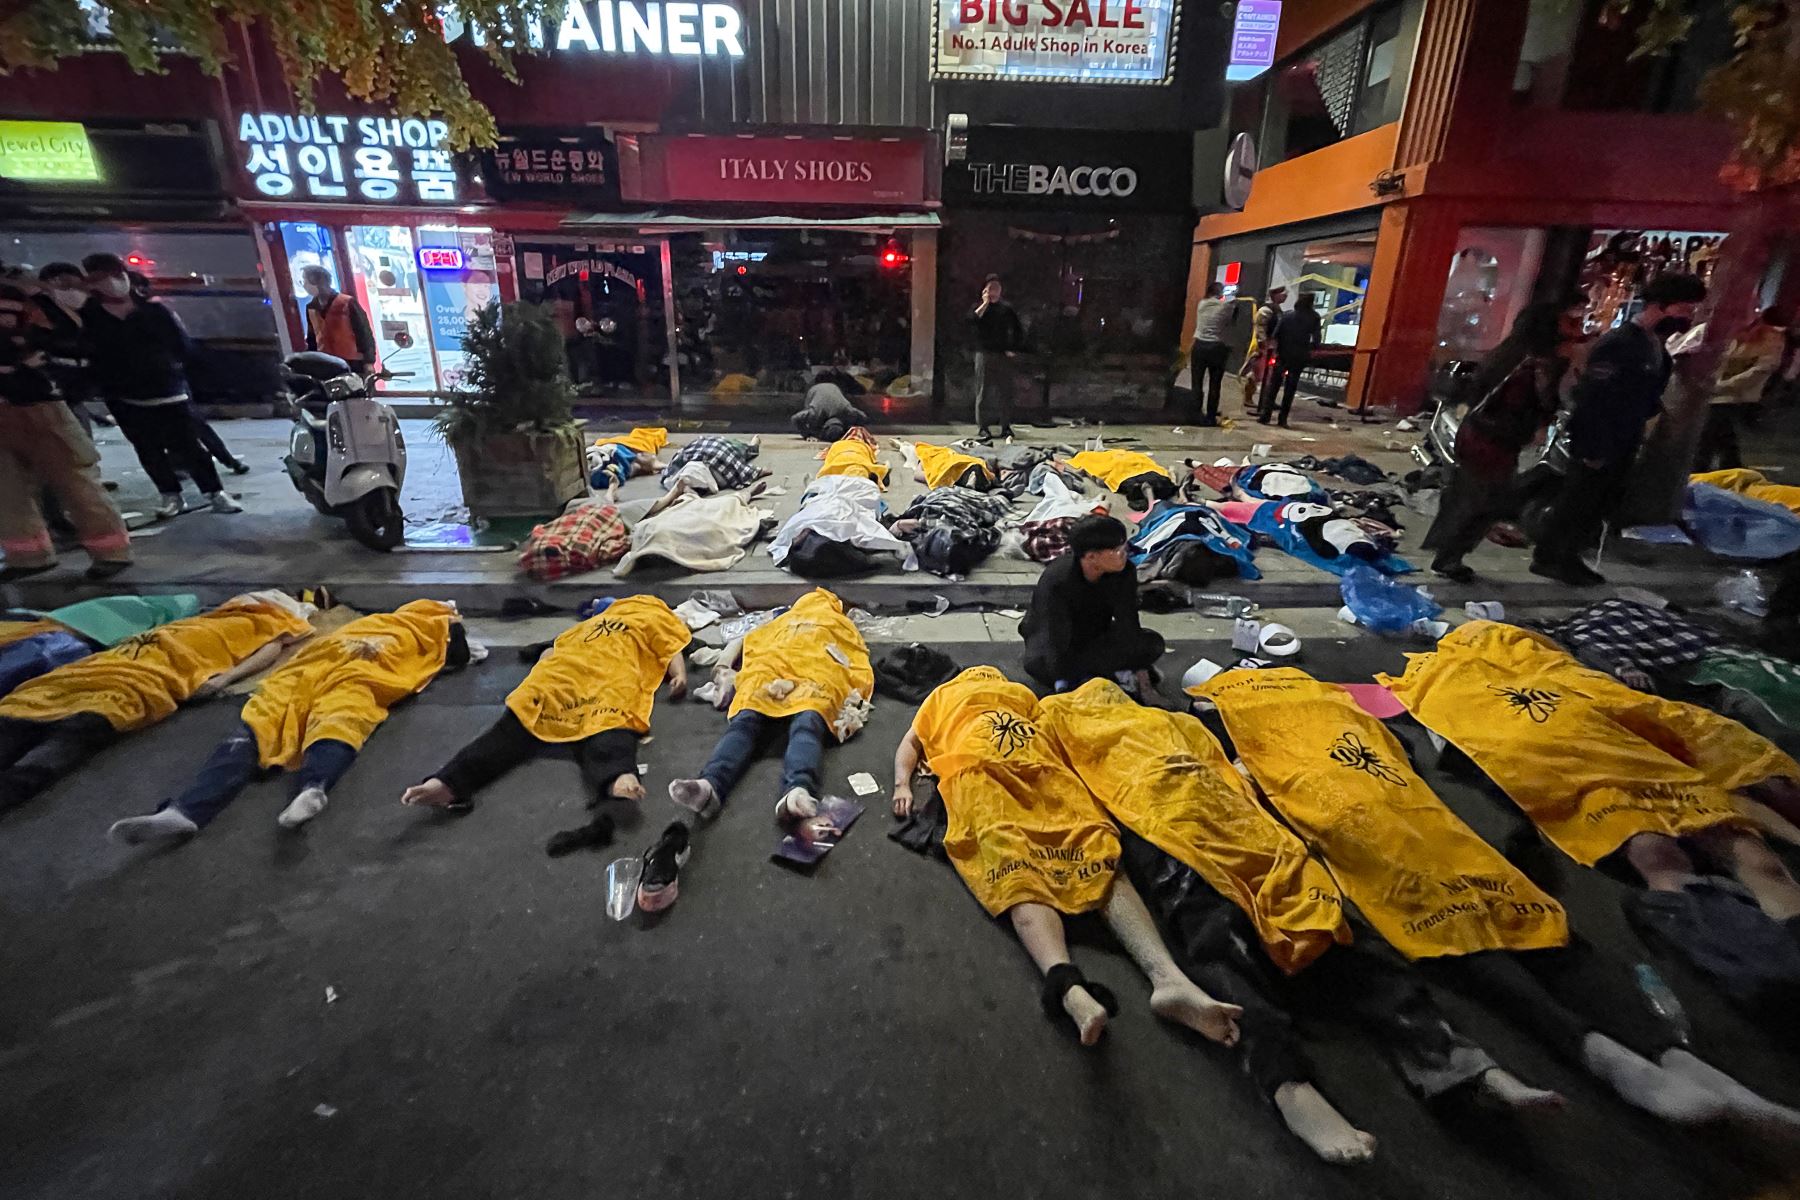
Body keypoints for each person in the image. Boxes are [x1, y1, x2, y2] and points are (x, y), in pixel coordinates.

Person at [1199, 664, 1800, 1132]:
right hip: (1371, 821)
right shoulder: (1263, 708)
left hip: (1395, 815)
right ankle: (1612, 1055)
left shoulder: (1250, 710)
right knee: (1487, 928)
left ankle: (1665, 1057)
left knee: (1521, 923)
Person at [1039, 679, 1564, 1163]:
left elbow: (1224, 761)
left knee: (1327, 927)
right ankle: (1288, 1083)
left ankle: (1449, 1054)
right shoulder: (1065, 730)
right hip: (1168, 836)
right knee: (1220, 937)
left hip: (1240, 824)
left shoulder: (1171, 722)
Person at [890, 666, 1244, 1048]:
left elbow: (1054, 728)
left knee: (1096, 848)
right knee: (1015, 866)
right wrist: (901, 784)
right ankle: (1067, 985)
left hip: (1039, 767)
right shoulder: (939, 699)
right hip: (980, 773)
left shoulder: (1017, 693)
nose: (980, 676)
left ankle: (1169, 980)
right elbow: (910, 744)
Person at [109, 601, 472, 843]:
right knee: (327, 719)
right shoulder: (424, 622)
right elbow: (455, 655)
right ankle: (187, 811)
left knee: (289, 721)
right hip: (334, 667)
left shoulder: (407, 622)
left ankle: (198, 806)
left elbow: (449, 653)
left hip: (343, 668)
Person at [400, 596, 688, 834]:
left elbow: (670, 649)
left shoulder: (655, 620)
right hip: (566, 672)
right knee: (518, 720)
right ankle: (449, 782)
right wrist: (545, 666)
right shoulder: (589, 625)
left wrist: (679, 676)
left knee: (610, 720)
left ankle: (617, 775)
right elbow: (555, 648)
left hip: (612, 673)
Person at [0, 592, 315, 808]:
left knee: (69, 731)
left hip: (136, 681)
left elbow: (272, 647)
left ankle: (16, 785)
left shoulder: (270, 620)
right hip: (101, 670)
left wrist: (225, 679)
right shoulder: (202, 618)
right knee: (29, 716)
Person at [661, 590, 873, 908]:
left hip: (813, 670)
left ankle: (795, 791)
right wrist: (723, 670)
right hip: (776, 668)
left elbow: (852, 657)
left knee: (795, 722)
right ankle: (710, 787)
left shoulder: (836, 624)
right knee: (760, 720)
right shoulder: (784, 620)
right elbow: (747, 642)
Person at [1530, 271, 1707, 586]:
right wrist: (1592, 447)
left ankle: (1565, 556)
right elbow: (1593, 399)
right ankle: (1551, 558)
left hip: (1624, 438)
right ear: (1661, 306)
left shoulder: (1654, 346)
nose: (1688, 317)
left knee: (1595, 502)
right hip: (1601, 439)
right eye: (1685, 308)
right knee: (1577, 502)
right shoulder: (1620, 344)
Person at [1423, 300, 1584, 582]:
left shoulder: (1508, 353)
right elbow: (1536, 403)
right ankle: (1448, 557)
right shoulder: (1533, 364)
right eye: (1568, 324)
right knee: (1482, 502)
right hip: (1493, 442)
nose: (1574, 331)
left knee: (1468, 498)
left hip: (1479, 435)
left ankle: (1448, 554)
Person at [79, 252, 241, 519]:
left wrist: (170, 369)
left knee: (190, 446)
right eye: (103, 278)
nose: (113, 282)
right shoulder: (91, 316)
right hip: (125, 396)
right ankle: (170, 495)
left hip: (169, 391)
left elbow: (182, 346)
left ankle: (214, 492)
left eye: (117, 275)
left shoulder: (153, 310)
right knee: (148, 448)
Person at [0, 283, 133, 582]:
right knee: (7, 491)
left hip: (38, 405)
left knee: (75, 481)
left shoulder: (18, 300)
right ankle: (28, 556)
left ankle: (111, 552)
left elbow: (46, 342)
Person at [1020, 514, 1164, 695]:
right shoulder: (1059, 579)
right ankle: (1095, 676)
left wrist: (1144, 679)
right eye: (1116, 550)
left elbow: (1128, 622)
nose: (1124, 554)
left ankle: (1096, 675)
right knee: (1040, 664)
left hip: (1095, 636)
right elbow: (1052, 635)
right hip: (1053, 642)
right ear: (1091, 557)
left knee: (1152, 643)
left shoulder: (1125, 572)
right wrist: (1063, 681)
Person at [1695, 305, 1791, 472]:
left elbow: (1762, 369)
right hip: (1716, 393)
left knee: (1712, 433)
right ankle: (1730, 467)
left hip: (1738, 395)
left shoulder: (1770, 338)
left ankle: (1708, 469)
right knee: (1722, 437)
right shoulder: (1727, 333)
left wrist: (1723, 385)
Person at [970, 274, 1024, 443]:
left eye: (997, 288)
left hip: (1002, 354)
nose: (994, 292)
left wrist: (1012, 348)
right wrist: (985, 303)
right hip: (984, 354)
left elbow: (1018, 330)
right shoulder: (979, 308)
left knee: (1005, 392)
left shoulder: (1006, 309)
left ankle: (1005, 426)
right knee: (983, 392)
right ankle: (983, 427)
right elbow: (972, 321)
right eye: (990, 288)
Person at [301, 265, 377, 375]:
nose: (304, 285)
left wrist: (369, 361)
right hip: (327, 363)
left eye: (305, 280)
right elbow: (312, 338)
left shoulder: (347, 302)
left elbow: (364, 333)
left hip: (353, 362)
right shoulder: (311, 307)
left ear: (317, 281)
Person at [1258, 294, 1320, 427]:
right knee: (1290, 389)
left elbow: (1275, 334)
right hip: (1299, 356)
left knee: (1274, 385)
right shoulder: (1314, 317)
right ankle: (1282, 419)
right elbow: (1316, 339)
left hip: (1283, 354)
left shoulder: (1287, 316)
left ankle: (1266, 415)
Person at [1189, 281, 1236, 426]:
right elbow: (1231, 322)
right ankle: (1210, 416)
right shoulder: (1226, 307)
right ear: (1220, 293)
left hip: (1199, 346)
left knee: (1197, 382)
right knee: (1215, 384)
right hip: (1217, 347)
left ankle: (1195, 414)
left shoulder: (1202, 305)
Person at [1238, 286, 1285, 390]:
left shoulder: (1276, 309)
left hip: (1271, 345)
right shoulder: (1266, 309)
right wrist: (1263, 342)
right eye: (1282, 293)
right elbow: (1259, 327)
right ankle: (1248, 395)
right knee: (1257, 372)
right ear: (1275, 295)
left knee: (1265, 373)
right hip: (1264, 345)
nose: (1285, 295)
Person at [792, 381, 867, 443]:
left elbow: (863, 417)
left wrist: (855, 431)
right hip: (814, 390)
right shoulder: (816, 412)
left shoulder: (846, 410)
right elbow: (795, 418)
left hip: (834, 388)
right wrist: (807, 435)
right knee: (812, 424)